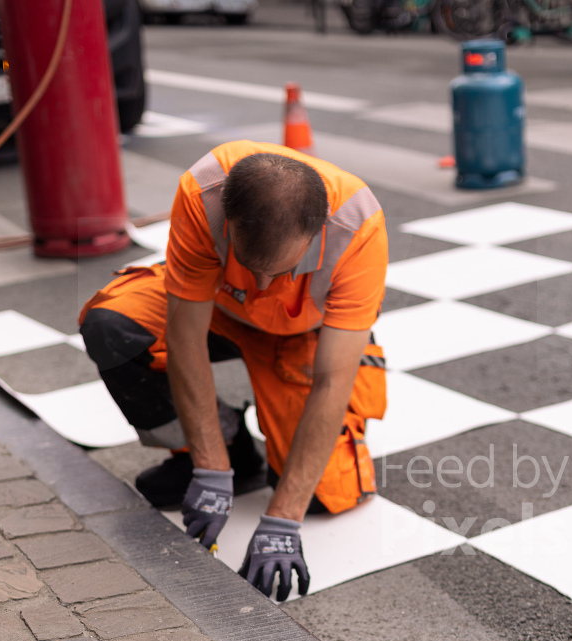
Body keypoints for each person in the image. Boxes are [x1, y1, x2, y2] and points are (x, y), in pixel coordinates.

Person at [80, 140, 388, 601]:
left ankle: (253, 463)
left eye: (282, 271)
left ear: (317, 232)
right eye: (249, 265)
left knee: (327, 497)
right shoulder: (204, 193)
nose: (262, 286)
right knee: (113, 326)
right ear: (229, 220)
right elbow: (185, 338)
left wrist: (283, 520)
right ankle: (227, 447)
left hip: (303, 333)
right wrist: (210, 466)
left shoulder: (357, 228)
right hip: (216, 306)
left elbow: (331, 382)